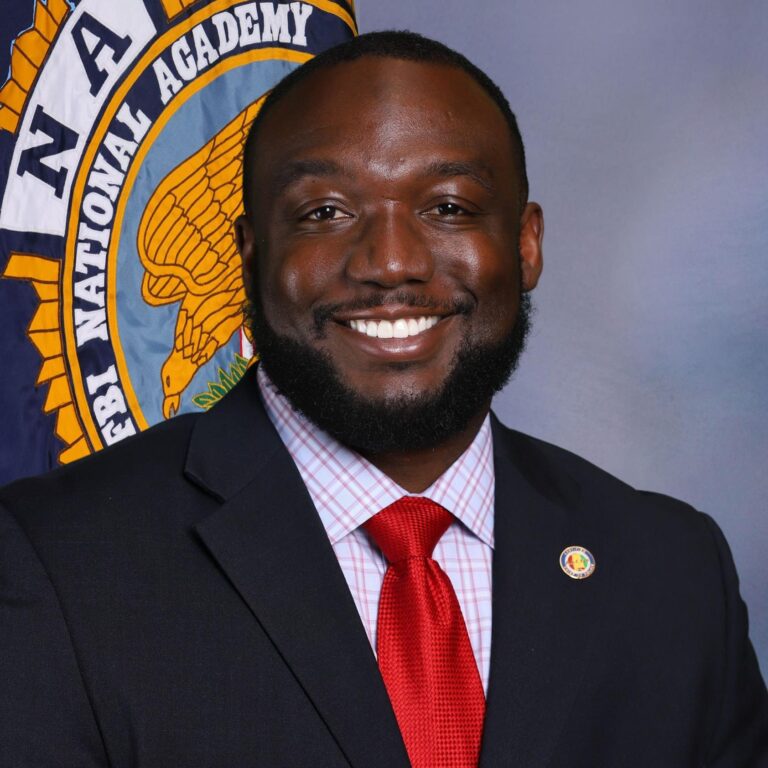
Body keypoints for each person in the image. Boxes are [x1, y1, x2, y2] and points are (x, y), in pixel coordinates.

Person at [1, 30, 766, 767]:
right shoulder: (58, 563)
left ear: (527, 244)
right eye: (326, 213)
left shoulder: (672, 572)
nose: (391, 262)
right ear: (248, 253)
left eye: (448, 208)